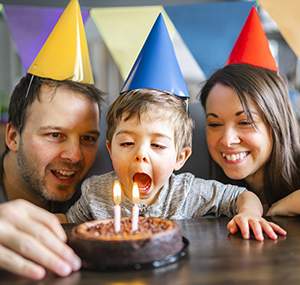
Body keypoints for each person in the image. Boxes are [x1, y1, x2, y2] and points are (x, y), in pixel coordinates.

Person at [65, 87, 286, 242]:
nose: (140, 155)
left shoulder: (187, 191)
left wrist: (250, 214)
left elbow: (242, 196)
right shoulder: (96, 192)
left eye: (158, 145)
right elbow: (67, 223)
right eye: (127, 143)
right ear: (111, 149)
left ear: (180, 157)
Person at [0, 73, 104, 279]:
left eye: (87, 138)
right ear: (13, 137)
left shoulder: (96, 198)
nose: (75, 156)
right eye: (55, 135)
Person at [199, 6, 300, 216]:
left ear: (276, 123)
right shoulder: (208, 194)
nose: (227, 140)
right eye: (215, 124)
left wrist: (285, 206)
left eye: (244, 122)